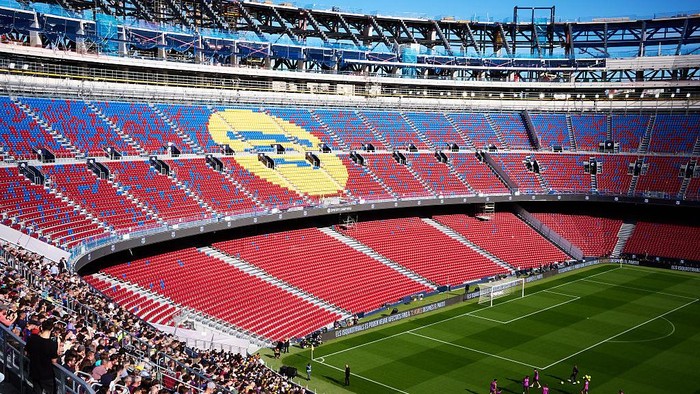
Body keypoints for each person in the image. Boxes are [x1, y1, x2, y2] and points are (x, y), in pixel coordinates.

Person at [25, 319, 59, 394]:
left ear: (41, 327)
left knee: (37, 391)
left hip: (34, 370)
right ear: (52, 329)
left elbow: (26, 352)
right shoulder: (52, 344)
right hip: (46, 374)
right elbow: (54, 360)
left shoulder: (32, 338)